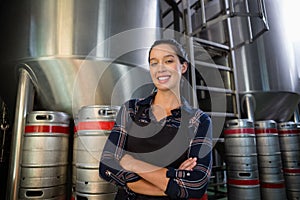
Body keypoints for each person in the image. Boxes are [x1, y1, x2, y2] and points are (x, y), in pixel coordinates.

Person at [99, 39, 212, 200]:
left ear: (183, 67)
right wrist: (175, 180)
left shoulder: (198, 120)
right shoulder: (131, 109)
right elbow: (106, 166)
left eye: (169, 61)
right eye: (154, 63)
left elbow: (197, 184)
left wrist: (132, 164)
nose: (160, 68)